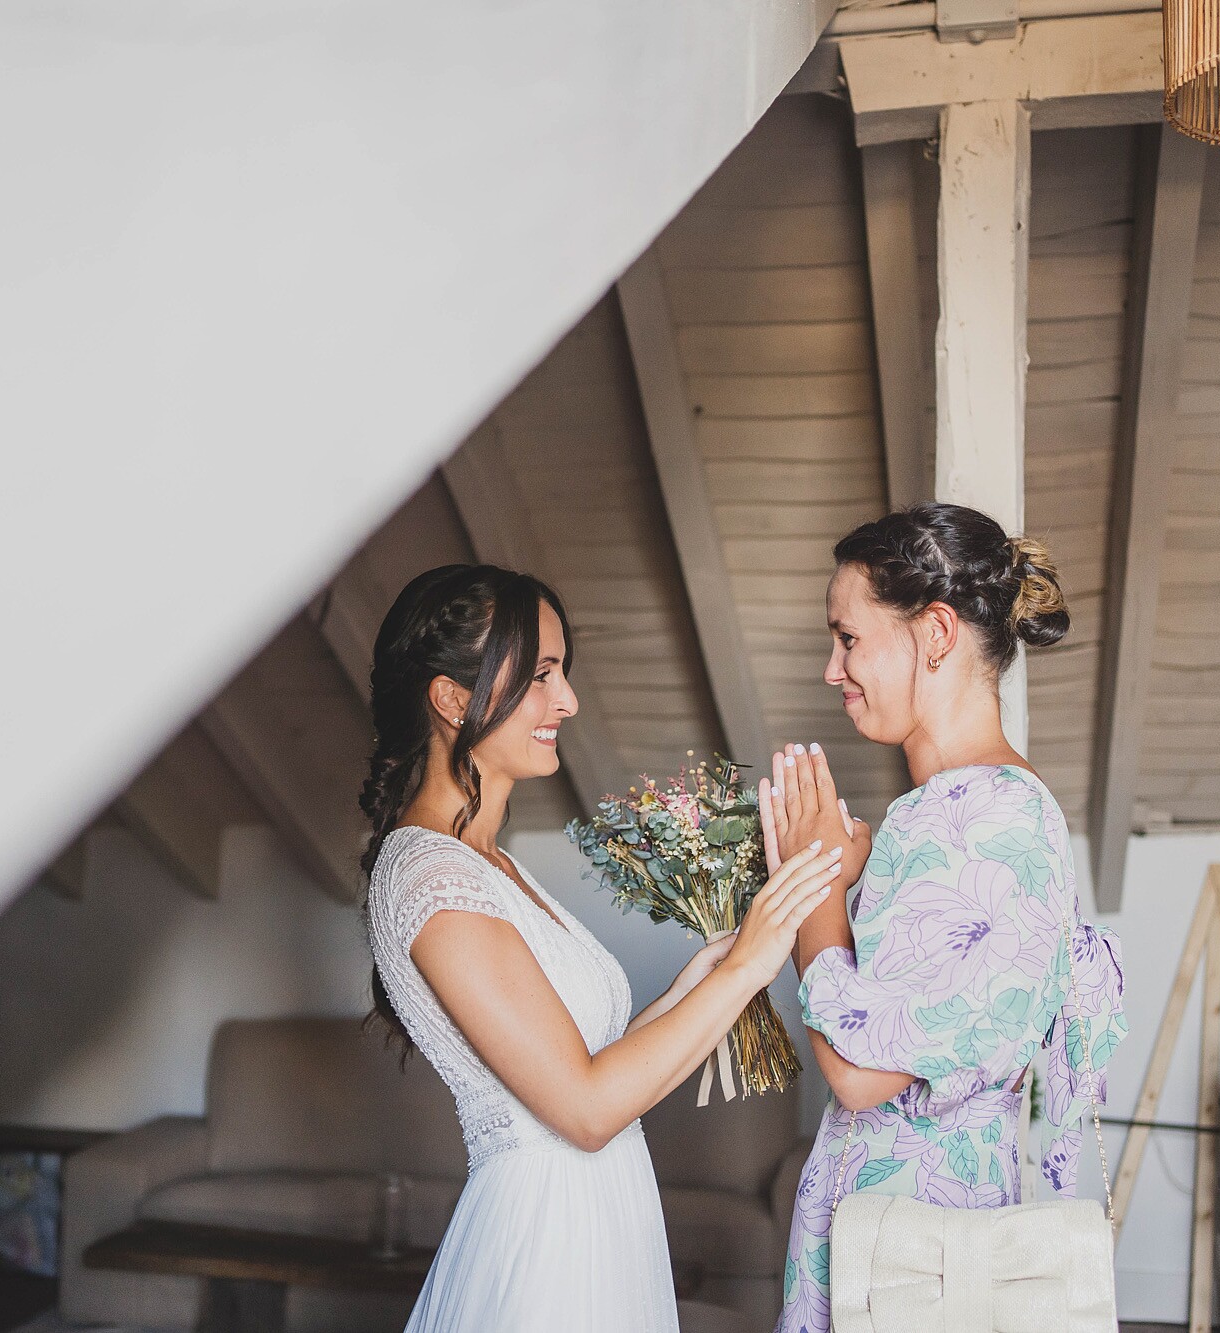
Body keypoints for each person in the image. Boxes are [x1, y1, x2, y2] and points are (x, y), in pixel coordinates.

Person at [361, 563, 842, 1333]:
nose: (569, 700)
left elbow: (588, 1062)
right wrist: (752, 961)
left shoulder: (494, 865)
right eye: (542, 674)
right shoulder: (426, 874)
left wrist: (701, 979)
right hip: (545, 1250)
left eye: (563, 672)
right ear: (452, 699)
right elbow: (585, 1110)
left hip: (601, 1220)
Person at [759, 503, 1128, 1333]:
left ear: (934, 633)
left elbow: (860, 1073)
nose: (831, 668)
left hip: (913, 1269)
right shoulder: (956, 813)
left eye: (848, 638)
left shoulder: (981, 817)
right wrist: (843, 883)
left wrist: (808, 889)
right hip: (896, 1249)